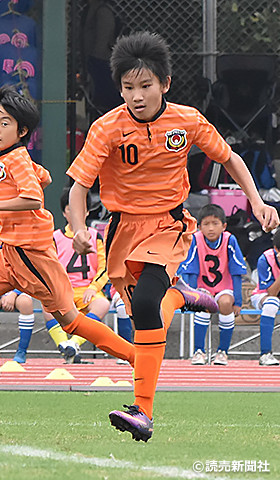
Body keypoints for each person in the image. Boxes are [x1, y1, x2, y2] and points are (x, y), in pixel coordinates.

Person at [67, 32, 279, 442]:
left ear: (164, 84)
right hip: (121, 230)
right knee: (146, 315)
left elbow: (230, 158)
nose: (137, 96)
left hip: (169, 224)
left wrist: (256, 202)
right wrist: (78, 228)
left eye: (145, 86)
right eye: (128, 88)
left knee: (146, 302)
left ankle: (142, 412)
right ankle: (181, 296)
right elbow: (78, 186)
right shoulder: (106, 128)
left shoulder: (186, 121)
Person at [0, 84, 136, 398]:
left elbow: (33, 197)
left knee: (70, 322)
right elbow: (40, 179)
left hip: (32, 256)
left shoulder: (15, 158)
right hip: (8, 253)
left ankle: (135, 357)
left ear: (22, 131)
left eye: (4, 124)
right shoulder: (9, 157)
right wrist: (39, 172)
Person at [43, 189, 111, 364]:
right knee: (48, 306)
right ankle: (64, 346)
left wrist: (94, 287)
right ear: (64, 212)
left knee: (102, 304)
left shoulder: (96, 236)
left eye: (80, 210)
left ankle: (74, 344)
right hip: (64, 290)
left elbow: (104, 267)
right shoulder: (55, 238)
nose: (75, 215)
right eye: (70, 210)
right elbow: (49, 268)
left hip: (88, 290)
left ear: (87, 212)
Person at [179, 204, 247, 366]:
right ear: (199, 226)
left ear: (224, 226)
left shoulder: (229, 240)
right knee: (203, 303)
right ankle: (199, 351)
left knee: (225, 304)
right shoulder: (195, 239)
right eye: (206, 224)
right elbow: (191, 271)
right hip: (202, 287)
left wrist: (237, 301)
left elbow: (237, 271)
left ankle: (222, 352)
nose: (211, 228)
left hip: (224, 287)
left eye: (215, 224)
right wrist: (192, 296)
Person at [80, 0, 123, 118]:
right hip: (93, 61)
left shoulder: (103, 11)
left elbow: (102, 41)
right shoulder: (90, 10)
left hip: (100, 62)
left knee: (102, 99)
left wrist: (94, 62)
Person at [249, 229, 280, 366]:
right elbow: (271, 292)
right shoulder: (266, 258)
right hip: (263, 295)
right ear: (276, 249)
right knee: (272, 303)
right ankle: (265, 353)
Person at [0, 288, 35, 363]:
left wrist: (13, 294)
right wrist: (1, 293)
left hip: (19, 291)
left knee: (26, 303)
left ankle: (22, 351)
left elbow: (27, 279)